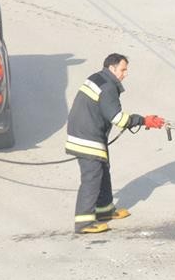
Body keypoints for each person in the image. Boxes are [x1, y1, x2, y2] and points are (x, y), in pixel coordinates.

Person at [66, 54, 165, 234]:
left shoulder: (98, 78)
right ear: (112, 68)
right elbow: (118, 119)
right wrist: (143, 120)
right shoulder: (108, 87)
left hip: (85, 131)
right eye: (123, 70)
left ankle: (104, 210)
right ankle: (83, 223)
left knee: (102, 170)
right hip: (87, 136)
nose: (125, 74)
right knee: (92, 177)